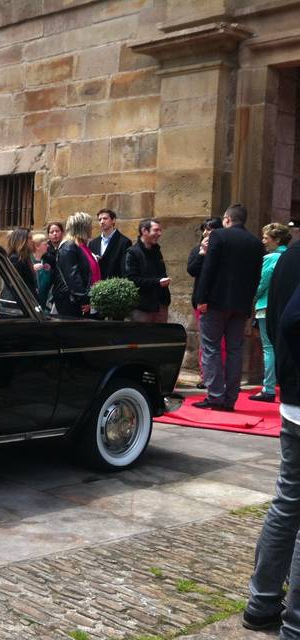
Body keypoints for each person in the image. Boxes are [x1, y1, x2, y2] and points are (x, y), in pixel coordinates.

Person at [242, 239, 300, 634]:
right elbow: (293, 319)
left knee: (288, 501)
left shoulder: (289, 254)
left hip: (293, 397)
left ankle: (262, 602)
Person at [192, 204, 265, 412]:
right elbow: (255, 278)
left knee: (211, 348)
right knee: (234, 350)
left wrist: (201, 298)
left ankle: (215, 396)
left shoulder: (219, 236)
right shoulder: (256, 243)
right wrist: (248, 303)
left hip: (215, 302)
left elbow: (209, 268)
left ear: (227, 219)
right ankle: (230, 398)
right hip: (240, 305)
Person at [252, 222, 292, 402]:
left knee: (269, 348)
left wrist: (251, 298)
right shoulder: (289, 255)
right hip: (286, 306)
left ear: (276, 240)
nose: (263, 241)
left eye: (266, 238)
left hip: (266, 306)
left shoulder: (270, 258)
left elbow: (261, 284)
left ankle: (268, 388)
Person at [188, 218, 225, 388]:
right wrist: (202, 253)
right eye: (204, 230)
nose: (205, 233)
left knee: (223, 342)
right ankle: (206, 376)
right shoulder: (197, 249)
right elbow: (192, 270)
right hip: (201, 300)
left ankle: (221, 375)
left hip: (220, 300)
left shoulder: (225, 250)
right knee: (206, 342)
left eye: (209, 230)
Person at [51, 212, 100, 318]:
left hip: (81, 301)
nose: (91, 228)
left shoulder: (81, 245)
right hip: (72, 302)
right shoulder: (69, 246)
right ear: (82, 228)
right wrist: (84, 300)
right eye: (89, 225)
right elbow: (72, 277)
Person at [124, 218, 171, 322]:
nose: (159, 233)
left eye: (160, 230)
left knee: (160, 338)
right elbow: (132, 280)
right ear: (144, 231)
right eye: (156, 230)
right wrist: (157, 282)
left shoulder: (156, 251)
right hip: (142, 307)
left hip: (160, 305)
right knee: (141, 337)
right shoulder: (132, 253)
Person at [88, 208, 133, 280]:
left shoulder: (124, 242)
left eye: (105, 218)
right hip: (96, 285)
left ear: (113, 220)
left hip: (115, 285)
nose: (102, 222)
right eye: (100, 219)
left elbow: (125, 269)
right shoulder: (93, 243)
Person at [6, 228, 37, 297]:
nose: (32, 241)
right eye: (29, 238)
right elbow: (14, 285)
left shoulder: (25, 258)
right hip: (17, 304)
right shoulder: (15, 259)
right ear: (21, 241)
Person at [32, 232, 54, 308]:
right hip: (31, 304)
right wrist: (32, 269)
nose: (48, 246)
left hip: (44, 305)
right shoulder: (27, 261)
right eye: (45, 244)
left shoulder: (47, 261)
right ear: (37, 246)